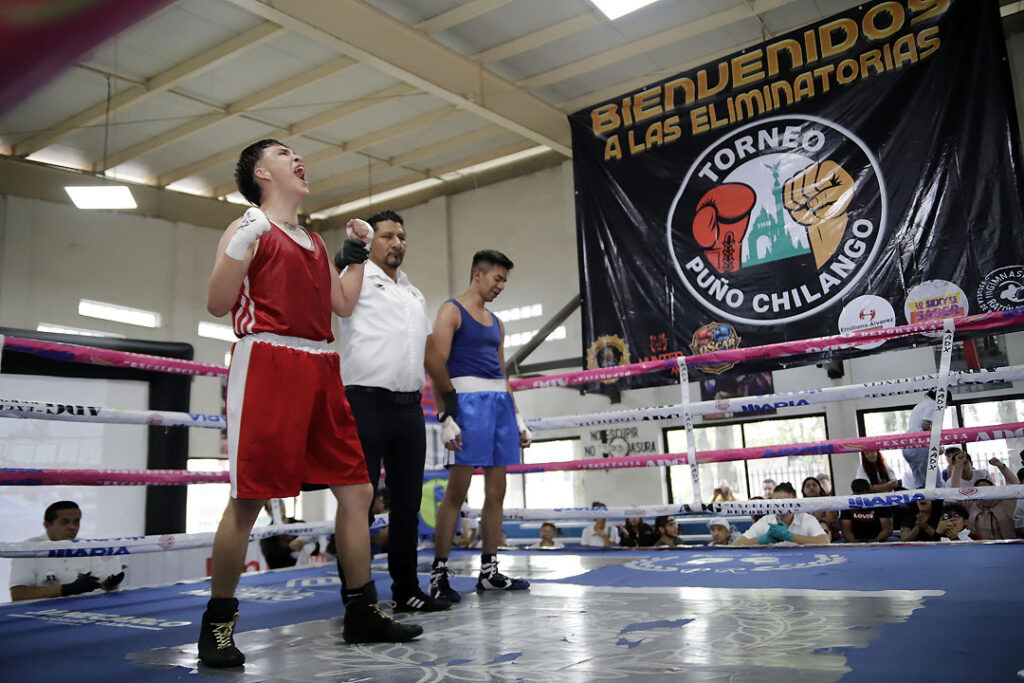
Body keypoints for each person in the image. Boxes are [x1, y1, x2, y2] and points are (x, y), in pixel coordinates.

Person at [198, 139, 420, 668]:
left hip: (321, 364)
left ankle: (361, 611)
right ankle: (218, 625)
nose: (297, 157)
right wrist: (242, 239)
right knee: (249, 498)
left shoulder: (315, 242)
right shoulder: (248, 226)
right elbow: (217, 302)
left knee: (358, 489)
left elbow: (341, 302)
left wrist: (357, 255)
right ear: (260, 172)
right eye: (282, 153)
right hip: (268, 360)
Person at [333, 208, 450, 613]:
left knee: (407, 505)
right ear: (370, 241)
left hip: (409, 407)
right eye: (387, 236)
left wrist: (447, 401)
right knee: (358, 505)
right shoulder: (355, 276)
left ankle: (406, 590)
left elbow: (427, 351)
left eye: (401, 236)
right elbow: (328, 295)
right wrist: (342, 259)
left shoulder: (413, 293)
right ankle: (357, 599)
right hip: (364, 403)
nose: (397, 243)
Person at [426, 249, 532, 602]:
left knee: (497, 491)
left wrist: (517, 416)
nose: (501, 286)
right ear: (478, 274)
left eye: (504, 281)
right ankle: (439, 574)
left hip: (499, 405)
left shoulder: (497, 323)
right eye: (497, 279)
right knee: (456, 493)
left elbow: (502, 373)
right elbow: (436, 366)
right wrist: (445, 416)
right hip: (467, 406)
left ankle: (489, 571)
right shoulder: (451, 311)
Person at [9, 501, 125, 602]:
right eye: (65, 522)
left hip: (80, 610)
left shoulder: (86, 546)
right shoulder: (28, 548)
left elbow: (100, 585)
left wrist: (110, 585)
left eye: (76, 521)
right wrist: (66, 589)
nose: (72, 527)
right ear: (47, 525)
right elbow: (18, 595)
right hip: (40, 613)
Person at [733, 482, 830, 546]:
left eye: (786, 504)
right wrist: (761, 540)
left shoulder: (806, 519)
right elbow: (736, 544)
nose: (781, 508)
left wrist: (790, 536)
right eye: (777, 504)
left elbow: (824, 541)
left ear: (794, 503)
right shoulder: (766, 521)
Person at [952, 456, 1019, 540]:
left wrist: (1001, 466)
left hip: (1007, 545)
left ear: (993, 490)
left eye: (987, 490)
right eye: (980, 491)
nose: (984, 494)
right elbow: (955, 491)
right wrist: (958, 468)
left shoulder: (1005, 503)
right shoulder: (970, 505)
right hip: (978, 546)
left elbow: (1014, 485)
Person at [902, 389, 951, 489]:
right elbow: (926, 425)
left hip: (908, 445)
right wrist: (937, 446)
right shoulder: (933, 405)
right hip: (919, 445)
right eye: (946, 405)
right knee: (935, 485)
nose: (945, 408)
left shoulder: (921, 404)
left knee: (920, 484)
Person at [258, 499, 320, 569]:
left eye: (279, 504)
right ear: (268, 512)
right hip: (282, 571)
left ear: (283, 504)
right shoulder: (267, 534)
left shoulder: (300, 524)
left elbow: (316, 549)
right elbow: (272, 561)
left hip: (304, 568)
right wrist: (290, 548)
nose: (278, 509)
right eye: (272, 508)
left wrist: (306, 543)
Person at [801, 476, 839, 540]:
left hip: (832, 538)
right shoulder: (801, 506)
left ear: (820, 488)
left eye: (814, 485)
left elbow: (830, 520)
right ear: (803, 491)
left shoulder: (828, 502)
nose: (811, 488)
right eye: (808, 486)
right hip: (810, 539)